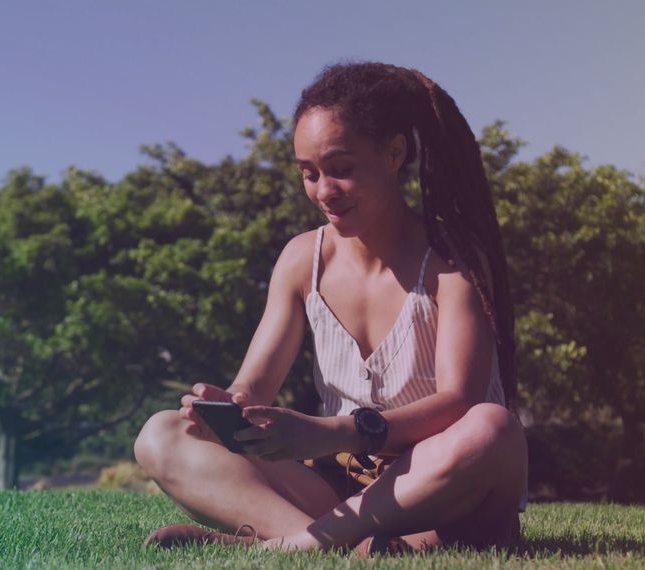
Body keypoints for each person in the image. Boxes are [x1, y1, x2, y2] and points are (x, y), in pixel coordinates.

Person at [133, 62, 528, 554]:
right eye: (310, 174)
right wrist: (227, 407)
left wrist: (333, 433)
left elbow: (461, 402)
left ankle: (283, 546)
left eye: (341, 169)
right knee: (161, 434)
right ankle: (351, 545)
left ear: (394, 154)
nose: (324, 191)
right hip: (340, 489)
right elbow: (254, 384)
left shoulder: (453, 260)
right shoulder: (303, 259)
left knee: (492, 429)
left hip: (439, 482)